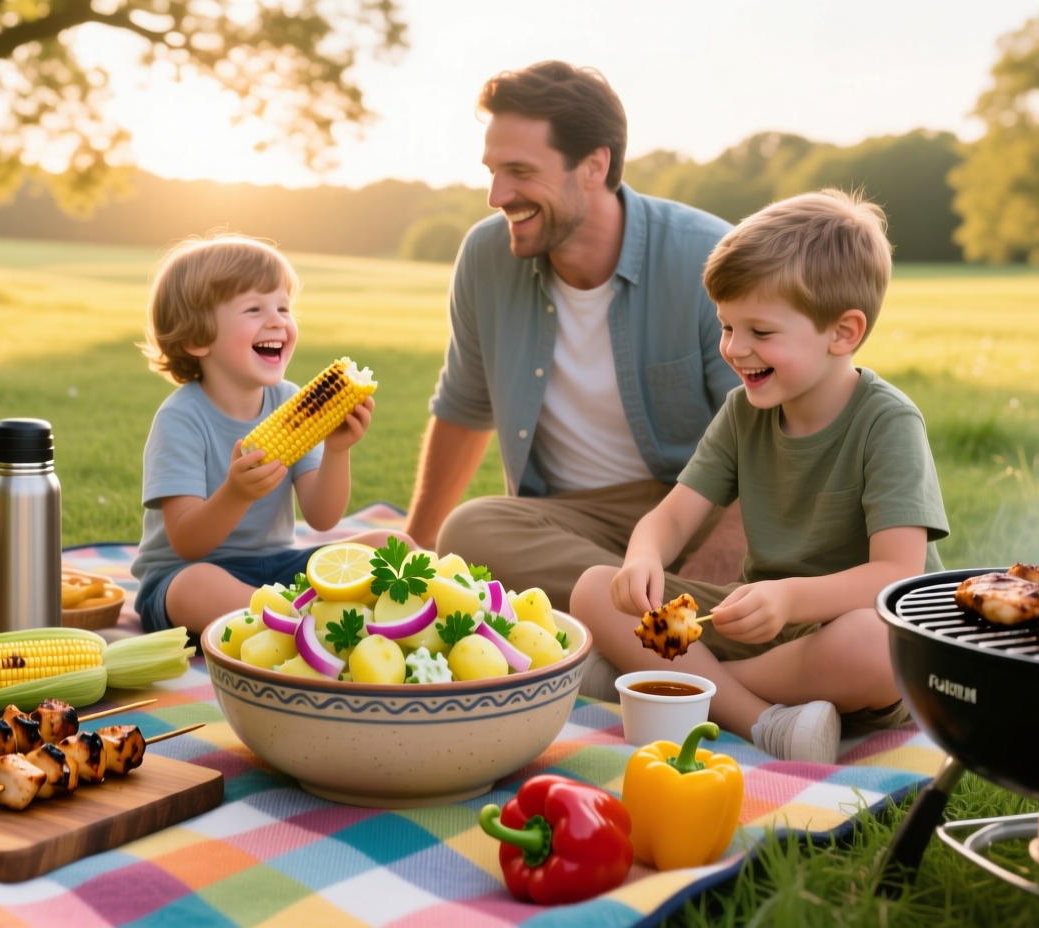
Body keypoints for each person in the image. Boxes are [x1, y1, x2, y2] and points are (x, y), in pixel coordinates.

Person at [570, 190, 950, 763]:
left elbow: (896, 574)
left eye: (760, 332)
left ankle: (677, 685)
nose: (734, 348)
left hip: (845, 632)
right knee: (594, 589)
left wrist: (790, 597)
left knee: (879, 647)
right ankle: (764, 721)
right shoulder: (744, 412)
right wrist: (643, 558)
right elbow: (674, 514)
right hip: (754, 620)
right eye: (726, 326)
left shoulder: (887, 421)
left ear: (843, 332)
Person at [406, 60, 747, 630]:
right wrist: (414, 552)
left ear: (594, 165)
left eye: (519, 171)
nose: (496, 194)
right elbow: (463, 410)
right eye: (492, 171)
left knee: (796, 550)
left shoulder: (709, 256)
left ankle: (621, 625)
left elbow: (777, 434)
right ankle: (668, 624)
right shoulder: (485, 258)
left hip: (696, 507)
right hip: (570, 521)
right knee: (466, 532)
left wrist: (717, 557)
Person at [130, 234, 403, 635]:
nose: (277, 321)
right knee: (196, 588)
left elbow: (323, 517)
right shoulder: (181, 418)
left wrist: (337, 450)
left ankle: (291, 618)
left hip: (276, 567)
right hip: (188, 573)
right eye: (254, 309)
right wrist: (235, 494)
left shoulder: (289, 399)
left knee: (392, 549)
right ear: (197, 337)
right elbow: (187, 541)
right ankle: (311, 622)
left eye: (283, 307)